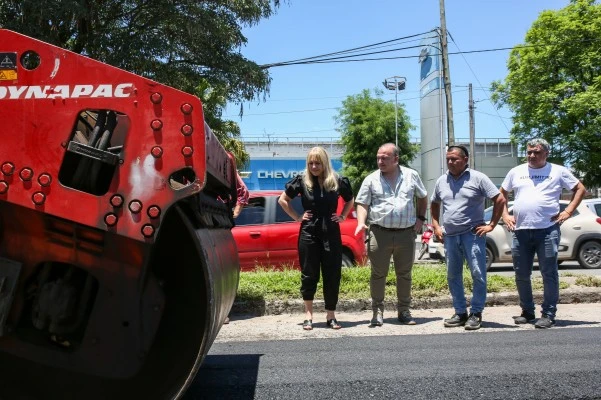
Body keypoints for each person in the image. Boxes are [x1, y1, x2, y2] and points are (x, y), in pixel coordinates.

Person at [500, 138, 585, 329]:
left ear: (546, 153)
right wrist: (505, 215)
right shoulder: (516, 171)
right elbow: (502, 194)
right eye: (529, 152)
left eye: (536, 152)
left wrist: (568, 211)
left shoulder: (558, 171)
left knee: (549, 273)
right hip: (521, 231)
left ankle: (548, 313)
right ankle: (527, 311)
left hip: (547, 230)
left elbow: (580, 188)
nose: (531, 155)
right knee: (521, 273)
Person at [278, 146, 354, 330]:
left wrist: (343, 216)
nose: (314, 166)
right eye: (311, 163)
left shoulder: (337, 181)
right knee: (309, 273)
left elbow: (350, 199)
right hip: (309, 232)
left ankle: (331, 316)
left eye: (317, 162)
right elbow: (282, 200)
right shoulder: (301, 181)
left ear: (324, 163)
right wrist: (297, 217)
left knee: (332, 274)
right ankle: (308, 316)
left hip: (331, 231)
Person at [430, 145, 505, 330]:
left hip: (472, 234)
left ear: (465, 160)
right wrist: (436, 226)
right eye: (448, 159)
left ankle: (476, 313)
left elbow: (500, 199)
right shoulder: (441, 181)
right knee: (453, 275)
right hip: (450, 236)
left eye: (454, 159)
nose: (450, 162)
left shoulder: (478, 178)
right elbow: (434, 203)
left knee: (478, 273)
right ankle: (460, 312)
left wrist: (491, 225)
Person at [354, 143, 428, 327]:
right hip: (380, 233)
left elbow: (423, 196)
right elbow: (362, 203)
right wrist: (361, 222)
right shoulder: (371, 179)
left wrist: (420, 218)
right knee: (378, 274)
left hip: (406, 234)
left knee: (404, 274)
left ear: (396, 159)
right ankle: (377, 312)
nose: (380, 161)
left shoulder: (412, 176)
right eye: (378, 157)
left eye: (385, 158)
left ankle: (404, 310)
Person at [224, 171, 250, 324]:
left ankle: (224, 311)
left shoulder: (224, 163)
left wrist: (234, 214)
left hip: (217, 222)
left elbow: (243, 192)